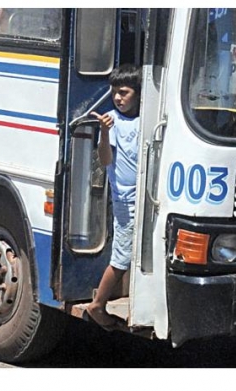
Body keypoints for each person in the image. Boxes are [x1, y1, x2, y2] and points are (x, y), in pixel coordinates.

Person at [85, 64, 142, 331]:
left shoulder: (146, 119)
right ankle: (97, 305)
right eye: (115, 92)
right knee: (122, 256)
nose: (118, 98)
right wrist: (105, 132)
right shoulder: (111, 120)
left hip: (144, 197)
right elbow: (105, 159)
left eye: (124, 92)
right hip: (125, 199)